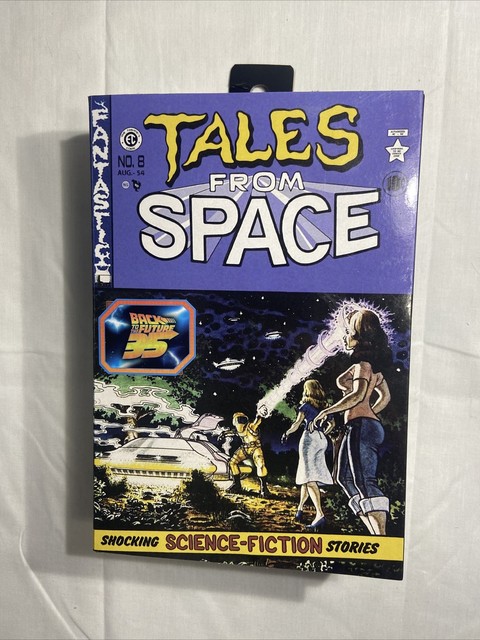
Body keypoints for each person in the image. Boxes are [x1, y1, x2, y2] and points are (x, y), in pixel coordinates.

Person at [313, 308, 391, 536]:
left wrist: (328, 411)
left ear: (359, 334)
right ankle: (374, 533)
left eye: (348, 332)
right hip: (358, 426)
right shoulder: (364, 367)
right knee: (344, 478)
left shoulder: (364, 366)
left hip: (361, 427)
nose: (344, 336)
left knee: (364, 481)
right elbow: (385, 397)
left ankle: (381, 538)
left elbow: (357, 395)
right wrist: (371, 413)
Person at [281, 379, 333, 530]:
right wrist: (323, 433)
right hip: (321, 440)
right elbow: (332, 424)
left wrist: (287, 433)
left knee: (309, 478)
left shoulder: (306, 405)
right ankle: (300, 509)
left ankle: (320, 515)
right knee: (306, 476)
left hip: (309, 439)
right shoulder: (325, 406)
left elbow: (297, 423)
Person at [226, 412, 271, 497]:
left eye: (243, 420)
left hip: (255, 448)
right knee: (232, 463)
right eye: (239, 420)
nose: (241, 422)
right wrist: (224, 434)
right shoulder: (237, 431)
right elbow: (231, 432)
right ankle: (237, 485)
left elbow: (257, 421)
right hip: (245, 448)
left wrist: (260, 414)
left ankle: (264, 488)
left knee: (261, 465)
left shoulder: (251, 427)